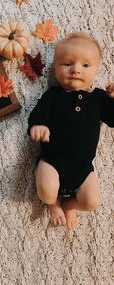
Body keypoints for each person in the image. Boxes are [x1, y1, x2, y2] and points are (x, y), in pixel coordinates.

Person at [27, 32, 114, 230]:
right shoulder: (53, 95)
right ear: (55, 68)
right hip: (52, 161)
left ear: (96, 69)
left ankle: (70, 204)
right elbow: (38, 113)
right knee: (46, 192)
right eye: (67, 64)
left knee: (92, 202)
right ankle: (54, 204)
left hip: (82, 168)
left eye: (85, 65)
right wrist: (38, 125)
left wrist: (112, 99)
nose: (75, 70)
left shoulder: (99, 98)